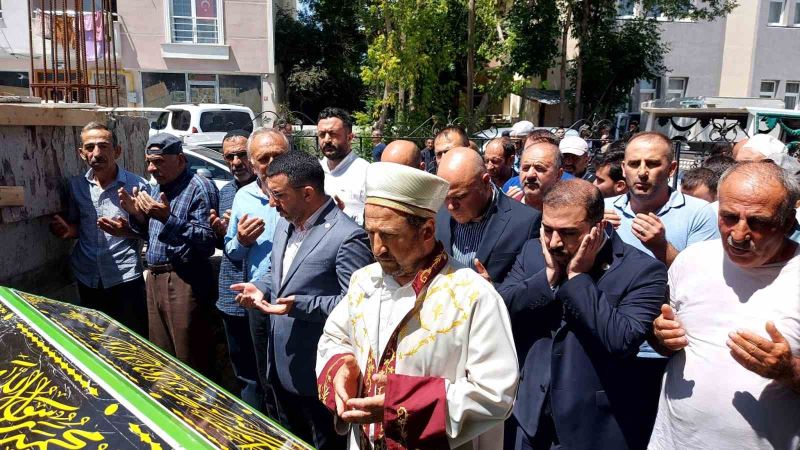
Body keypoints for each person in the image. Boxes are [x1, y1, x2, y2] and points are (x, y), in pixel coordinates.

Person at [316, 162, 518, 449]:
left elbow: (496, 395)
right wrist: (342, 367)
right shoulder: (364, 280)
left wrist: (401, 405)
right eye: (370, 233)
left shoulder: (473, 295)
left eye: (389, 235)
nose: (377, 248)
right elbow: (335, 337)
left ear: (426, 231)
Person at [498, 179, 667, 450]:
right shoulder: (532, 252)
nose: (554, 242)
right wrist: (548, 277)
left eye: (568, 233)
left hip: (592, 427)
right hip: (528, 420)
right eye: (548, 229)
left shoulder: (643, 271)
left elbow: (621, 340)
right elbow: (501, 309)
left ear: (599, 227)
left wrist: (577, 278)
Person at [649, 161, 800, 449]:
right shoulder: (691, 260)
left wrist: (789, 371)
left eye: (758, 222)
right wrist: (662, 337)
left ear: (788, 221)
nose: (739, 234)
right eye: (729, 217)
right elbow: (665, 342)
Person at [232, 150, 373, 449]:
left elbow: (356, 305)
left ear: (307, 193)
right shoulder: (285, 223)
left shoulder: (348, 237)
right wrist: (260, 287)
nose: (272, 203)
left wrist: (300, 305)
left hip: (317, 374)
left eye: (279, 195)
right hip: (280, 367)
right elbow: (278, 273)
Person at [120, 133, 219, 374]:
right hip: (155, 278)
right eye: (149, 162)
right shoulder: (157, 189)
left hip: (184, 280)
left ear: (180, 160)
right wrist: (137, 215)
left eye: (159, 161)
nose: (151, 169)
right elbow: (152, 234)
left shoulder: (199, 187)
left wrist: (167, 218)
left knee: (190, 358)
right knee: (161, 357)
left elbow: (207, 241)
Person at [50, 122, 149, 335]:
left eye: (103, 146)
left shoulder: (137, 186)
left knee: (129, 341)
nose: (96, 153)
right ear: (81, 153)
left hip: (124, 278)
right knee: (94, 339)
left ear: (117, 151)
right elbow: (81, 225)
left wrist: (129, 229)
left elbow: (153, 232)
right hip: (87, 277)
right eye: (90, 147)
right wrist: (69, 230)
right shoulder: (77, 186)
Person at [222, 128, 291, 414]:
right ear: (252, 164)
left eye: (278, 155)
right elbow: (231, 250)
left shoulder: (304, 194)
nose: (272, 163)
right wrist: (242, 240)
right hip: (259, 299)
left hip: (296, 298)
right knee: (265, 376)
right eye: (264, 158)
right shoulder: (243, 197)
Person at [604, 132, 719, 268]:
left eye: (652, 164)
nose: (642, 172)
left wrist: (661, 247)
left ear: (671, 169)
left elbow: (700, 273)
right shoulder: (604, 209)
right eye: (634, 164)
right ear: (624, 169)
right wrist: (594, 233)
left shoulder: (699, 213)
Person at [208, 129, 263, 408]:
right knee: (243, 370)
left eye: (242, 155)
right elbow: (223, 244)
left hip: (264, 293)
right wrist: (221, 232)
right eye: (230, 157)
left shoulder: (271, 191)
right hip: (232, 294)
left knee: (267, 370)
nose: (236, 162)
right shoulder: (225, 192)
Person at [435, 147, 540, 284]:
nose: (450, 206)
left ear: (485, 181)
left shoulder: (526, 223)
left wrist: (490, 290)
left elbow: (529, 286)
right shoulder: (437, 213)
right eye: (445, 196)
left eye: (459, 197)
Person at [318, 107, 369, 225]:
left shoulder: (366, 172)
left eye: (333, 134)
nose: (327, 140)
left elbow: (375, 221)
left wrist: (345, 213)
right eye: (322, 134)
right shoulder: (315, 170)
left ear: (350, 137)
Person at [514, 136, 565, 209]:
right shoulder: (506, 206)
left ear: (558, 175)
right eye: (526, 168)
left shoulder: (568, 211)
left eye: (539, 168)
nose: (530, 175)